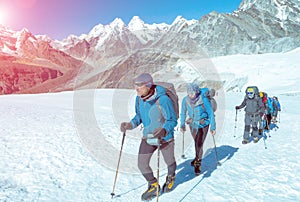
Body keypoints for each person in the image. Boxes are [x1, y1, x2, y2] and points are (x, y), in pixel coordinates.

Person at [120, 73, 177, 201]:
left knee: (170, 162)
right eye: (136, 86)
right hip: (148, 137)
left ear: (148, 85)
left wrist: (164, 130)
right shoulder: (139, 99)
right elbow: (139, 117)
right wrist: (130, 125)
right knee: (142, 164)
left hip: (165, 138)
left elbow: (172, 120)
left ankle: (171, 177)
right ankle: (153, 184)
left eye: (139, 86)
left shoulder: (163, 100)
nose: (136, 89)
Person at [179, 83, 216, 175]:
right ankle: (197, 158)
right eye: (189, 93)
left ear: (197, 92)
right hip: (193, 124)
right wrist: (182, 124)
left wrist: (213, 127)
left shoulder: (203, 100)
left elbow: (210, 113)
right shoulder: (185, 100)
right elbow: (183, 112)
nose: (191, 95)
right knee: (197, 142)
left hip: (204, 124)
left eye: (193, 93)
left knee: (199, 142)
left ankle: (198, 162)